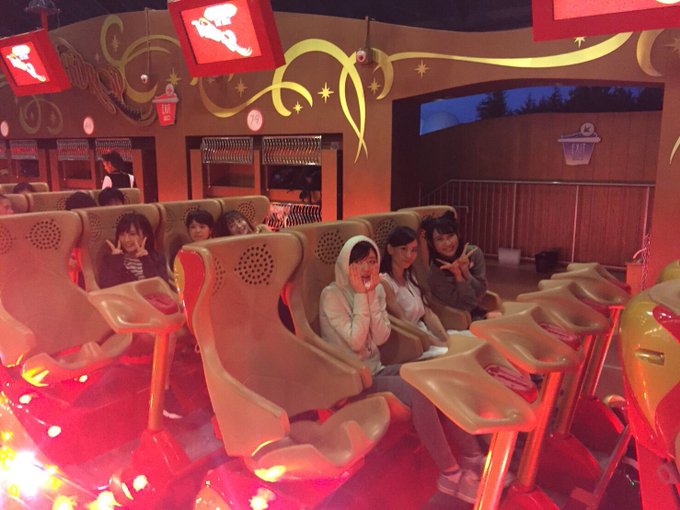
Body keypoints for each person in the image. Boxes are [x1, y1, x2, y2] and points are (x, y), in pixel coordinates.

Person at [319, 235, 483, 503]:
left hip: (376, 369)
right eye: (358, 263)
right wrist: (361, 295)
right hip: (352, 381)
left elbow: (381, 337)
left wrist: (370, 295)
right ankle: (449, 472)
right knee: (419, 391)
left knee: (434, 379)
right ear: (346, 265)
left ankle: (473, 456)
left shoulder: (375, 290)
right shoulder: (331, 295)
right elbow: (356, 341)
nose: (366, 268)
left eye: (371, 262)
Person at [380, 226, 448, 349]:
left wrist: (446, 340)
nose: (409, 255)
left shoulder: (409, 275)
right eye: (403, 249)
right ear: (390, 249)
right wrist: (438, 344)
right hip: (408, 342)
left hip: (423, 333)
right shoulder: (384, 282)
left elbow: (428, 314)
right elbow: (402, 322)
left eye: (414, 250)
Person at [422, 211, 489, 320]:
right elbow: (469, 304)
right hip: (457, 318)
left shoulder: (474, 253)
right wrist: (459, 276)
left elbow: (481, 291)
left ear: (458, 234)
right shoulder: (435, 274)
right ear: (431, 243)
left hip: (479, 310)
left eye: (450, 236)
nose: (448, 243)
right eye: (440, 239)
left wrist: (466, 272)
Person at [99, 212, 168, 289]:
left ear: (145, 235)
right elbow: (106, 288)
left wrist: (146, 260)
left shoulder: (157, 258)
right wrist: (116, 261)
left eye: (132, 234)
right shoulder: (109, 259)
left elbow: (162, 287)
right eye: (122, 234)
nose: (126, 240)